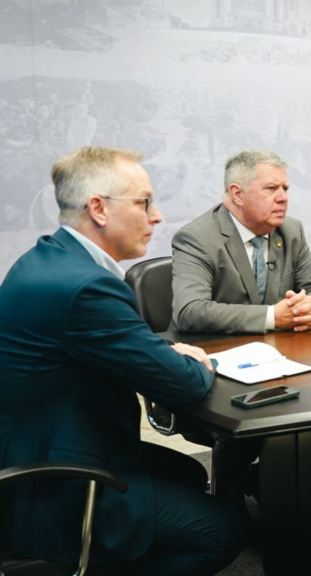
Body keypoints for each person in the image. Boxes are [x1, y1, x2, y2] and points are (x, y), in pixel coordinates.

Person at [0, 147, 245, 575]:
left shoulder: (49, 259)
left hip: (38, 447)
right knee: (223, 530)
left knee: (186, 473)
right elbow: (184, 385)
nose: (157, 216)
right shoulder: (85, 287)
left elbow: (114, 344)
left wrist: (165, 352)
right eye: (144, 202)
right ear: (98, 208)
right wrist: (190, 362)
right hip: (59, 483)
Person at [171, 149, 311, 334]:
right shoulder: (197, 238)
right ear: (237, 194)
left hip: (280, 350)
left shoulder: (291, 231)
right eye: (271, 188)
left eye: (285, 188)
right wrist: (273, 317)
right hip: (214, 350)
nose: (283, 198)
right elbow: (190, 311)